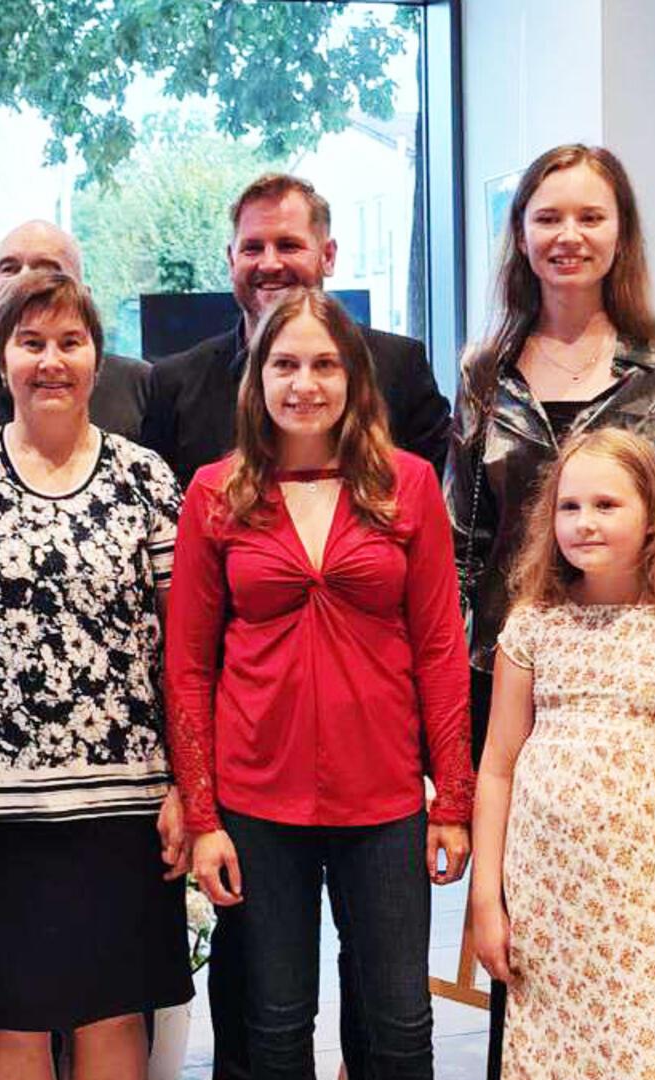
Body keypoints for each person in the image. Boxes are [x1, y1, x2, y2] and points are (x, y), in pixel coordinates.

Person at [143, 173, 450, 1079]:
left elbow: (437, 644)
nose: (305, 382)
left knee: (398, 1027)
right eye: (285, 365)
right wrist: (202, 812)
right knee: (273, 1026)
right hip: (256, 796)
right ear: (257, 378)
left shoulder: (406, 486)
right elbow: (188, 664)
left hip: (384, 795)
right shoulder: (216, 492)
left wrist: (456, 799)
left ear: (355, 377)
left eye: (324, 365)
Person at [444, 144, 655, 1071]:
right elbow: (463, 543)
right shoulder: (485, 369)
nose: (568, 236)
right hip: (515, 676)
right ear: (521, 236)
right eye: (548, 218)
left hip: (650, 675)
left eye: (589, 217)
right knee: (524, 970)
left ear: (621, 233)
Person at [0, 271, 192, 1078]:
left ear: (98, 358)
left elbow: (184, 644)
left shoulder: (146, 480)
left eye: (69, 342)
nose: (50, 361)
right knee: (12, 1025)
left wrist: (188, 785)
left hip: (127, 808)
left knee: (114, 1019)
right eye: (31, 344)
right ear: (1, 361)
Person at [466, 428, 655, 1079]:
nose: (585, 523)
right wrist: (487, 899)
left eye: (607, 505)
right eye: (570, 507)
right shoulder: (534, 624)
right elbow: (500, 767)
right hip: (549, 910)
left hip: (651, 914)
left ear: (654, 518)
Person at [142, 172, 451, 487]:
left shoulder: (399, 368)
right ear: (231, 259)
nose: (270, 264)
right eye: (252, 248)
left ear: (328, 257)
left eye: (288, 246)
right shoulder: (174, 386)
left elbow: (437, 500)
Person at [0, 219, 150, 440]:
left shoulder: (140, 386)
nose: (24, 278)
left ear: (84, 295)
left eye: (45, 267)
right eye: (9, 268)